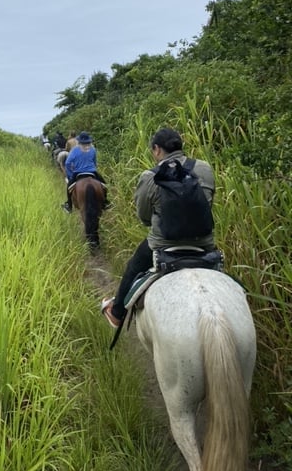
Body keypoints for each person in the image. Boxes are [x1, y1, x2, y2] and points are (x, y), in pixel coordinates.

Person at [101, 127, 215, 328]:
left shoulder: (150, 176)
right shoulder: (204, 168)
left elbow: (143, 216)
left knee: (134, 267)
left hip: (161, 244)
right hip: (204, 244)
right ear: (180, 146)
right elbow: (208, 203)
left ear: (156, 150)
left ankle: (117, 312)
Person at [61, 131, 110, 213]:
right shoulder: (93, 149)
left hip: (78, 173)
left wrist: (70, 175)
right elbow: (94, 162)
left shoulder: (74, 150)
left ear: (79, 141)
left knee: (69, 188)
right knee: (104, 185)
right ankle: (105, 203)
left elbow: (67, 163)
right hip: (92, 172)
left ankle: (69, 205)